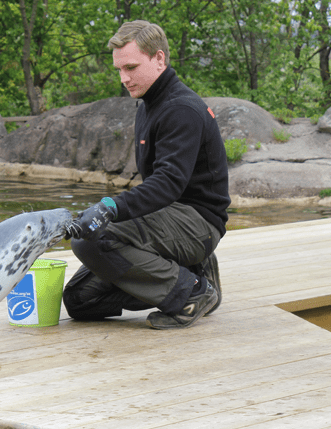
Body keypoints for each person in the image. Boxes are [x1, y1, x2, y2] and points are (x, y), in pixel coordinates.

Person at [63, 20, 230, 330]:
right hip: (168, 217)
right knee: (80, 301)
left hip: (198, 222)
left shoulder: (181, 109)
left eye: (131, 67)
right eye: (119, 70)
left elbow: (168, 183)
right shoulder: (148, 105)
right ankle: (191, 273)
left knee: (90, 243)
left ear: (159, 59)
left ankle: (191, 292)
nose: (124, 78)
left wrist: (110, 207)